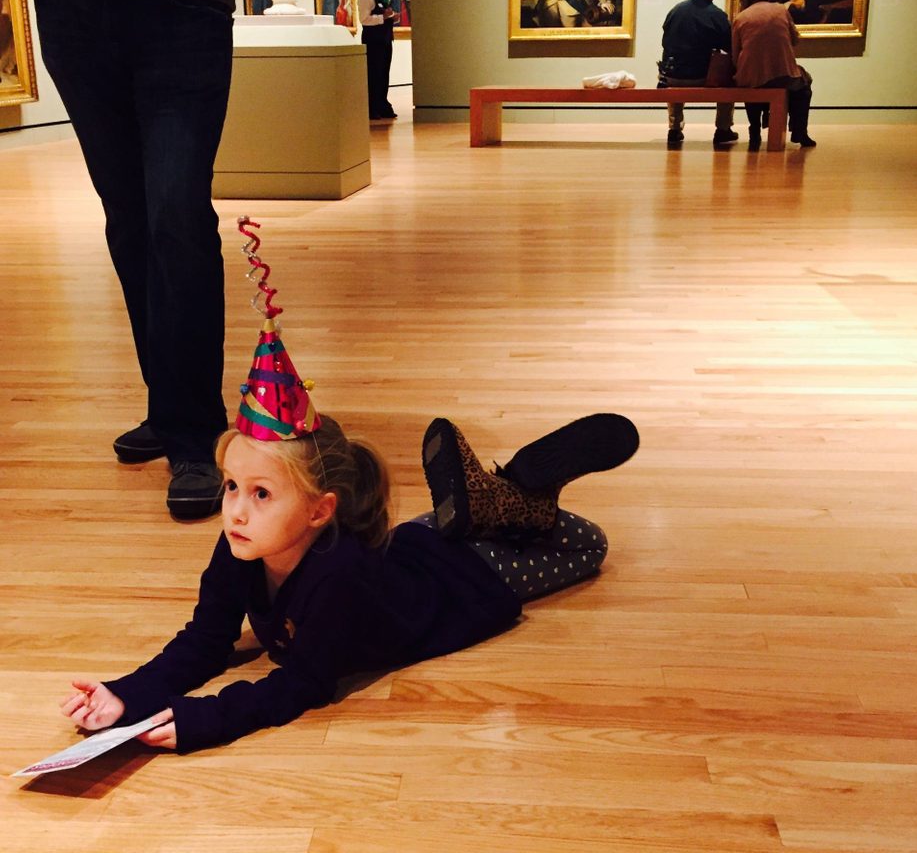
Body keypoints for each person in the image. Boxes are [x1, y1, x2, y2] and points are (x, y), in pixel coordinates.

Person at [57, 279, 641, 752]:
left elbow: (304, 683)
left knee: (588, 545)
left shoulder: (337, 578)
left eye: (261, 494)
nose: (234, 510)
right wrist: (125, 697)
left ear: (319, 511)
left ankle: (516, 495)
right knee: (428, 533)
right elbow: (206, 641)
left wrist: (203, 719)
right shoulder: (242, 543)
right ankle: (491, 498)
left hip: (467, 582)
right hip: (407, 550)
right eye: (232, 486)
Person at [0, 0, 251, 520]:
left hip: (183, 0)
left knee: (176, 211)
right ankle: (170, 405)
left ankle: (194, 433)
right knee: (131, 215)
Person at [658, 0, 738, 149]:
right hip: (701, 77)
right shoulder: (716, 15)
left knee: (677, 67)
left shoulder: (675, 11)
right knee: (728, 78)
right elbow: (730, 47)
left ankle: (674, 128)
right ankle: (723, 129)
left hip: (671, 76)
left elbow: (666, 42)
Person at [732, 0, 815, 150]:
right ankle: (799, 131)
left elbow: (735, 55)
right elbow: (795, 39)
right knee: (804, 84)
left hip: (753, 77)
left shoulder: (740, 18)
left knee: (751, 80)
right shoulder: (781, 10)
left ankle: (754, 130)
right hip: (783, 76)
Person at [358, 0, 398, 119]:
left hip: (385, 41)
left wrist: (392, 17)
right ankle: (372, 107)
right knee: (374, 74)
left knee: (384, 75)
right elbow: (364, 19)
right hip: (373, 42)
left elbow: (383, 14)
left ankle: (382, 104)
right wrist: (383, 17)